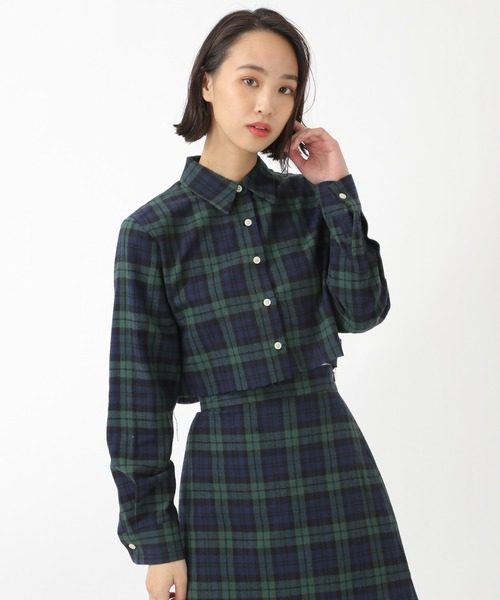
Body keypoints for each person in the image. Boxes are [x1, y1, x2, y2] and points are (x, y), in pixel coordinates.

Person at [107, 8, 418, 600]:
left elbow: (363, 311)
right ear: (207, 83)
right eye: (250, 80)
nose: (265, 105)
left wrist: (335, 189)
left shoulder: (307, 204)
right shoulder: (153, 231)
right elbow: (137, 398)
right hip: (228, 480)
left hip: (332, 463)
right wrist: (156, 540)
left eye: (284, 89)